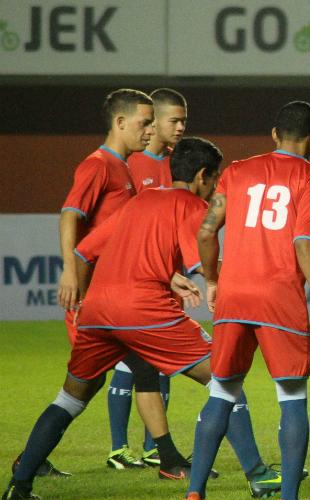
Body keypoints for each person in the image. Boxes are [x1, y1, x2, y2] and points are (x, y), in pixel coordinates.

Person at [2, 138, 280, 500]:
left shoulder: (139, 201)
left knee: (71, 397)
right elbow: (203, 262)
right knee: (224, 376)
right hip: (144, 308)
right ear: (202, 176)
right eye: (215, 180)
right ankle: (258, 475)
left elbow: (84, 253)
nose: (215, 188)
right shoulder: (192, 206)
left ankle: (19, 485)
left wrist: (88, 304)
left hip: (98, 312)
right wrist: (223, 278)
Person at [180, 101, 310, 500]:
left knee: (222, 391)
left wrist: (212, 281)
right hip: (278, 297)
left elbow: (206, 230)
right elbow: (305, 243)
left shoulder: (236, 172)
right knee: (291, 397)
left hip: (234, 294)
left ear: (274, 134)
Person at [19, 89, 155, 477]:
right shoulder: (98, 165)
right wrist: (68, 270)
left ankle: (28, 465)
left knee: (88, 388)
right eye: (144, 123)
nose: (149, 131)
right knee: (94, 385)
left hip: (107, 300)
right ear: (120, 122)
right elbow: (69, 215)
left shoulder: (123, 167)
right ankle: (170, 458)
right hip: (90, 302)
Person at [105, 88, 189, 469]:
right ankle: (119, 447)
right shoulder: (131, 166)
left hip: (168, 277)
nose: (181, 127)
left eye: (183, 120)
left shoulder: (177, 166)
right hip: (137, 281)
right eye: (175, 120)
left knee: (160, 361)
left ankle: (154, 447)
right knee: (132, 364)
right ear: (152, 122)